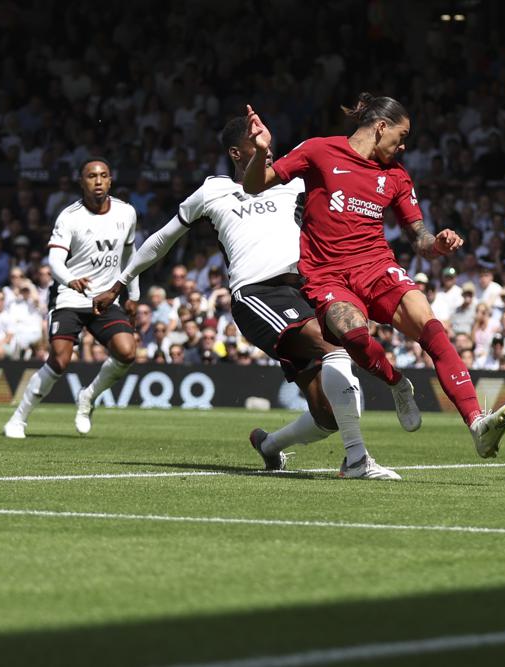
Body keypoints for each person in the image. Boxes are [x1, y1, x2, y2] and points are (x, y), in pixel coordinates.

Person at [94, 117, 415, 480]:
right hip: (257, 294)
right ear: (236, 152)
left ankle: (269, 445)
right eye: (257, 141)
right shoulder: (212, 191)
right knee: (336, 346)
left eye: (269, 139)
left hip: (304, 292)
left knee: (327, 415)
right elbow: (161, 240)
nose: (268, 147)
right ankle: (357, 460)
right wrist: (120, 283)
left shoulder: (291, 180)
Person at [243, 93, 505, 458]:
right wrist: (261, 150)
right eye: (401, 136)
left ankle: (477, 423)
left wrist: (438, 243)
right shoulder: (320, 151)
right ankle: (397, 383)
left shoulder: (396, 176)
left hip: (377, 267)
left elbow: (419, 237)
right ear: (380, 127)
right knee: (353, 334)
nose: (402, 146)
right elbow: (254, 184)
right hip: (327, 275)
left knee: (431, 327)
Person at [4, 158, 140, 438]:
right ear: (82, 182)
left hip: (105, 299)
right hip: (69, 295)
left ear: (111, 180)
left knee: (127, 351)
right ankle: (19, 419)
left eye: (103, 175)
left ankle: (88, 397)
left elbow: (130, 255)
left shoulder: (127, 213)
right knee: (60, 360)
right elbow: (54, 260)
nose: (98, 181)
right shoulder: (69, 217)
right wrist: (69, 279)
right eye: (92, 176)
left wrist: (133, 294)